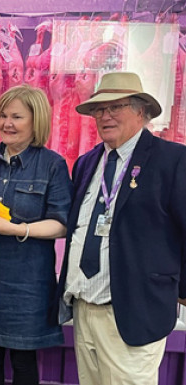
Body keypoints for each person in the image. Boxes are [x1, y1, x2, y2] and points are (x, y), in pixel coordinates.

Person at [56, 71, 186, 384]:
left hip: (134, 310)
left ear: (142, 111)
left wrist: (181, 291)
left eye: (117, 107)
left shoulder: (172, 160)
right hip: (84, 308)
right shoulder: (87, 163)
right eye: (99, 109)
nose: (105, 116)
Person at [0, 85, 73, 385]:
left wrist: (16, 229)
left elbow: (61, 225)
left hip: (29, 285)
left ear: (37, 121)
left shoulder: (53, 165)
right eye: (3, 115)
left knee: (24, 362)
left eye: (17, 117)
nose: (7, 123)